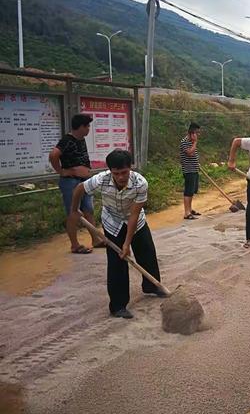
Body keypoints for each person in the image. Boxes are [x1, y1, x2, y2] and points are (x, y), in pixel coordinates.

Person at [70, 149, 166, 319]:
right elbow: (79, 188)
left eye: (124, 172)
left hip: (135, 221)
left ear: (131, 168)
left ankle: (152, 285)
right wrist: (74, 210)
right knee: (117, 262)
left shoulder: (140, 183)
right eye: (117, 173)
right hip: (112, 222)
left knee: (147, 252)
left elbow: (134, 215)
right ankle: (118, 305)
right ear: (110, 171)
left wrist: (127, 243)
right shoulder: (101, 179)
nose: (121, 177)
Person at [49, 113, 102, 254]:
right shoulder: (67, 140)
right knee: (73, 212)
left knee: (88, 210)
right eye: (87, 126)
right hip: (71, 182)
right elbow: (54, 155)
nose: (89, 129)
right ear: (81, 126)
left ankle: (95, 239)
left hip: (84, 182)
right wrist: (61, 171)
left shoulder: (80, 139)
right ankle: (75, 245)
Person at [180, 122, 201, 220]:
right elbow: (190, 153)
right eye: (196, 133)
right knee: (188, 191)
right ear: (191, 133)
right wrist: (195, 142)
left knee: (192, 191)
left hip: (194, 169)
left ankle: (190, 209)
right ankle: (186, 213)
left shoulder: (191, 142)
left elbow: (194, 155)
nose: (197, 135)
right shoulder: (184, 142)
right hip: (188, 170)